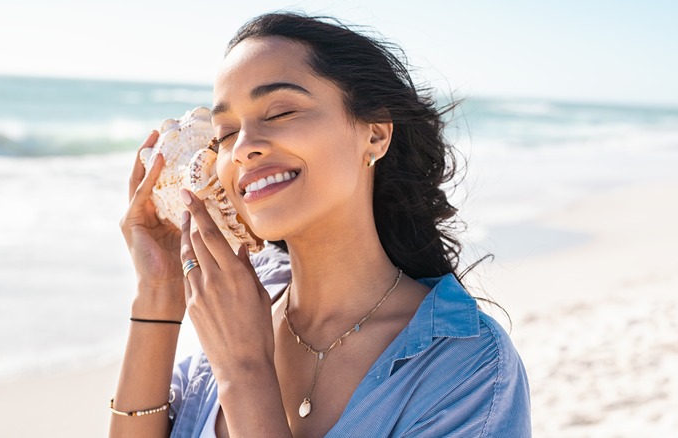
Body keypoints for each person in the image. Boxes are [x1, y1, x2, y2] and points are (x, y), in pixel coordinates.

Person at [111, 12, 531, 437]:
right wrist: (159, 295)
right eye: (225, 133)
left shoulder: (467, 367)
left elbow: (240, 369)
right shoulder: (240, 306)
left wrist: (245, 371)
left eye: (280, 112)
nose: (243, 149)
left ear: (376, 135)